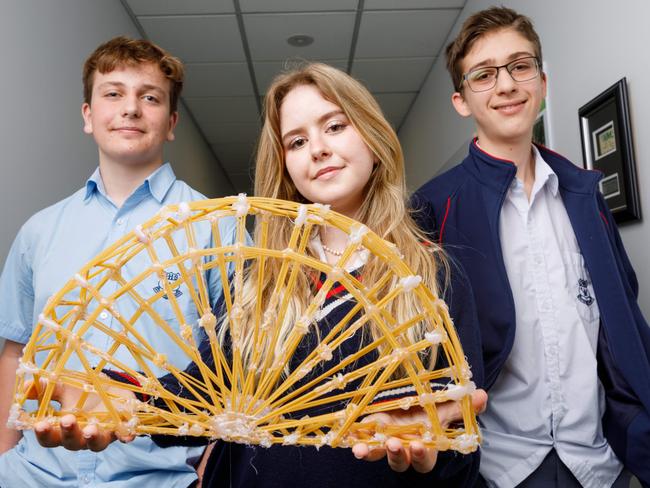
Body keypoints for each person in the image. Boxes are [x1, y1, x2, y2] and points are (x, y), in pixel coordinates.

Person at [29, 63, 487, 487]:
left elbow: (457, 440)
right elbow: (200, 392)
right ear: (285, 165)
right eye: (297, 141)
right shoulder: (260, 279)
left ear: (372, 135)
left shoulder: (433, 278)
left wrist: (437, 449)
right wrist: (127, 401)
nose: (320, 148)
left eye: (334, 126)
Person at [412, 6, 650, 487]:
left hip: (598, 464)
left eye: (520, 66)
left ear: (542, 81)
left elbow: (620, 319)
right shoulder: (434, 207)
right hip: (500, 469)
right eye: (484, 75)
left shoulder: (585, 195)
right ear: (461, 101)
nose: (506, 85)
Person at [0, 36, 236, 487]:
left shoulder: (216, 230)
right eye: (113, 93)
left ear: (170, 123)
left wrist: (212, 467)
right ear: (89, 116)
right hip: (32, 476)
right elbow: (16, 350)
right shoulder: (38, 232)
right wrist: (4, 457)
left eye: (149, 98)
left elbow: (236, 361)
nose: (130, 109)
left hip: (162, 479)